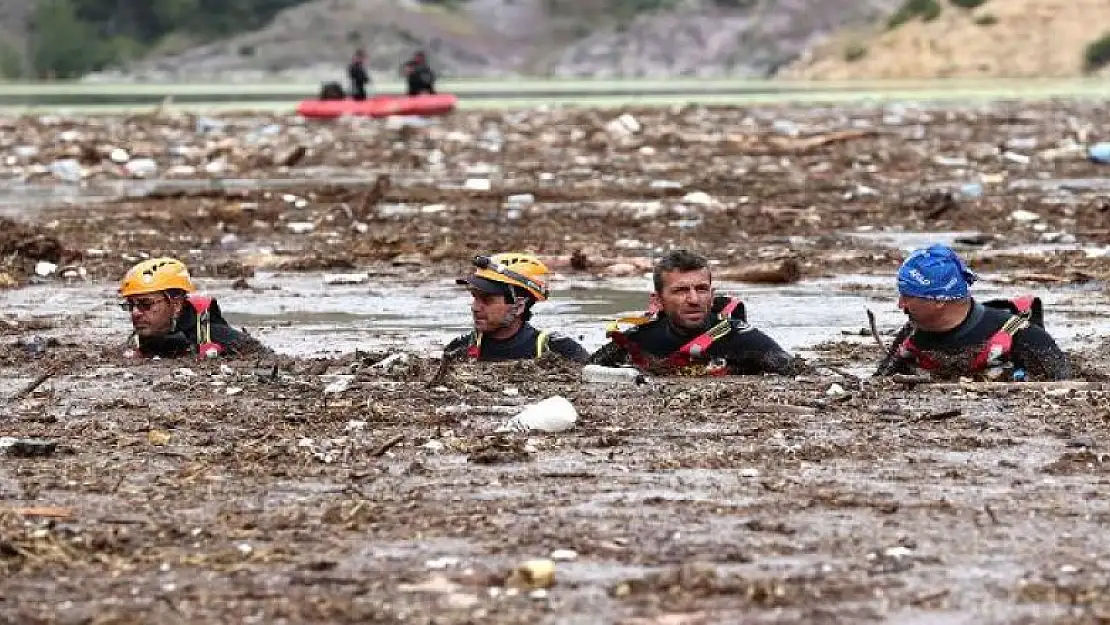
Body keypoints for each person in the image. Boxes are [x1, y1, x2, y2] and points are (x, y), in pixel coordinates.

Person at [874, 244, 1070, 381]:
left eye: (907, 296)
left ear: (939, 301)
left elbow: (1068, 385)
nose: (900, 305)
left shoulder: (1020, 334)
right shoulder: (912, 333)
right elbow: (879, 382)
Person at [588, 249, 800, 376]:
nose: (694, 299)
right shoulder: (638, 340)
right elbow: (584, 370)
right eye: (680, 291)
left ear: (712, 294)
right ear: (658, 300)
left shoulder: (742, 339)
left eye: (701, 289)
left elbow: (800, 372)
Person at [445, 253, 589, 363]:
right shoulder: (459, 350)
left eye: (487, 299)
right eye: (474, 297)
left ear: (519, 306)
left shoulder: (559, 351)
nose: (475, 308)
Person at [118, 258, 268, 360]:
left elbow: (266, 358)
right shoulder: (135, 341)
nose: (135, 313)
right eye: (131, 305)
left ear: (176, 305)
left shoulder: (218, 335)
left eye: (146, 304)